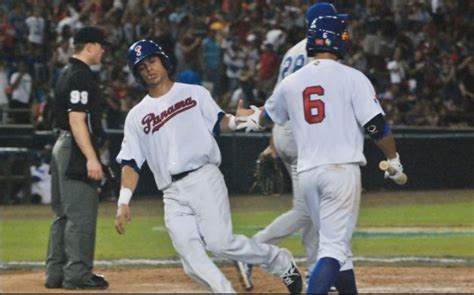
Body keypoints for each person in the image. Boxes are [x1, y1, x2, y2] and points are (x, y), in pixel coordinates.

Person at [114, 39, 303, 294]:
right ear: (137, 74)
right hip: (171, 193)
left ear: (163, 61)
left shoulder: (193, 93)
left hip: (203, 177)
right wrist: (123, 201)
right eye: (141, 67)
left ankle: (280, 261)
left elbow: (221, 122)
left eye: (152, 61)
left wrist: (243, 121)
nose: (148, 68)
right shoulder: (136, 116)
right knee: (191, 259)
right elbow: (130, 162)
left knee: (221, 243)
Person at [245, 14, 406, 294]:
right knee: (332, 249)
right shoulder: (353, 78)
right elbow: (376, 127)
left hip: (307, 174)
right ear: (339, 40)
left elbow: (266, 117)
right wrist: (394, 159)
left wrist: (245, 117)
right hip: (340, 171)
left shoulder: (292, 81)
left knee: (338, 251)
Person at [235, 3, 353, 291]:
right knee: (306, 210)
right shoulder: (322, 53)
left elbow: (280, 99)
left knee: (312, 209)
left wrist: (273, 140)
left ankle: (314, 268)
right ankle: (252, 251)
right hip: (303, 136)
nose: (341, 26)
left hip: (288, 131)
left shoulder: (293, 51)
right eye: (334, 21)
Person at [45, 26, 110, 290]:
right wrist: (92, 158)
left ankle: (56, 274)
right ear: (90, 46)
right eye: (101, 45)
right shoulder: (82, 75)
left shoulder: (65, 72)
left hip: (62, 144)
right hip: (74, 148)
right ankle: (77, 275)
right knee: (81, 216)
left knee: (63, 215)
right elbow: (77, 119)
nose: (103, 50)